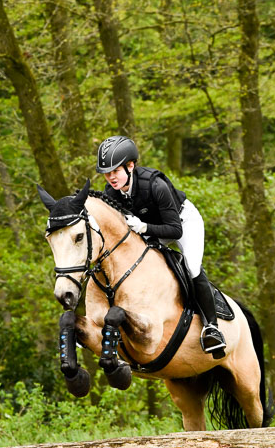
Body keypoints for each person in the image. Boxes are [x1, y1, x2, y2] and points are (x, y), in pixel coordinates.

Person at [96, 135, 226, 355]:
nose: (110, 177)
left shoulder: (155, 185)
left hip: (183, 222)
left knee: (192, 267)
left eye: (115, 171)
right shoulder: (111, 194)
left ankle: (212, 327)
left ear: (130, 166)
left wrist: (145, 228)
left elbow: (175, 230)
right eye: (107, 173)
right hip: (149, 227)